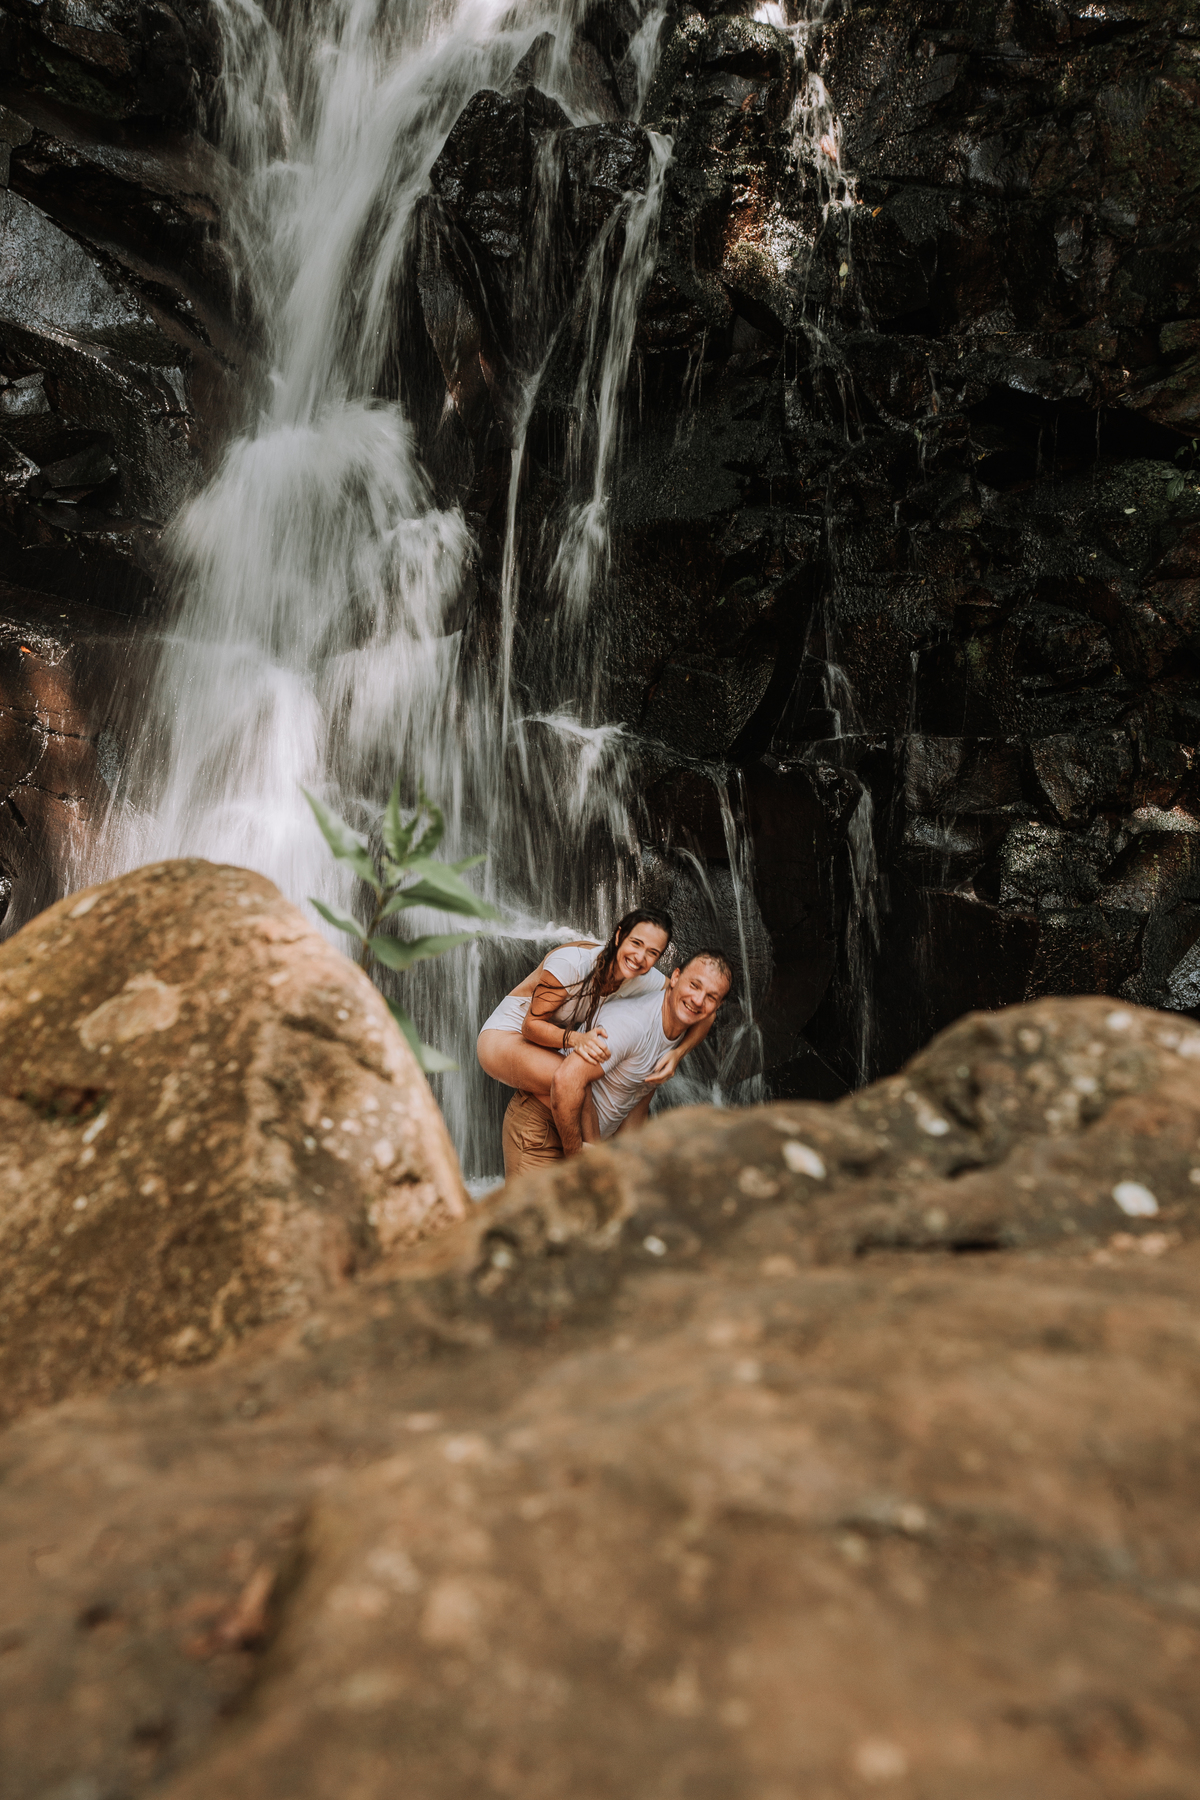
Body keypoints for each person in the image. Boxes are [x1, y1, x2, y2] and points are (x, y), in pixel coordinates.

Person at [502, 948, 733, 1177]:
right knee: (534, 1215)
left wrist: (627, 1166)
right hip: (544, 1128)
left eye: (711, 996)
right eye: (694, 985)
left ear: (718, 1005)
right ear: (674, 977)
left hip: (588, 1138)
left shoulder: (682, 1021)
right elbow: (565, 1080)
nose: (698, 1000)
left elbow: (636, 1100)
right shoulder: (630, 1026)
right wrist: (581, 1163)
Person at [477, 908, 712, 1112]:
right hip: (505, 1036)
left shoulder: (645, 978)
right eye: (636, 943)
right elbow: (530, 1027)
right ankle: (591, 1155)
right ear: (619, 935)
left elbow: (705, 1011)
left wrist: (677, 1054)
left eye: (652, 953)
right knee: (574, 1083)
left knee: (591, 1091)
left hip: (550, 1048)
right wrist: (577, 1039)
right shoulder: (572, 963)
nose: (640, 957)